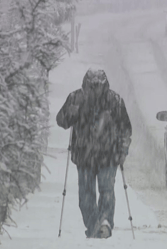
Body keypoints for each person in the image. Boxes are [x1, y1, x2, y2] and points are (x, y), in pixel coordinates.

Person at [56, 68, 132, 239]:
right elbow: (62, 120)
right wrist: (71, 112)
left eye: (98, 85)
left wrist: (122, 149)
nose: (95, 89)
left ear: (104, 84)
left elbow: (125, 129)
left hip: (102, 156)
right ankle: (96, 226)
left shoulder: (114, 101)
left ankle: (102, 223)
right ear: (87, 83)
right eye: (93, 85)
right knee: (88, 196)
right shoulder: (77, 99)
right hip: (89, 156)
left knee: (102, 192)